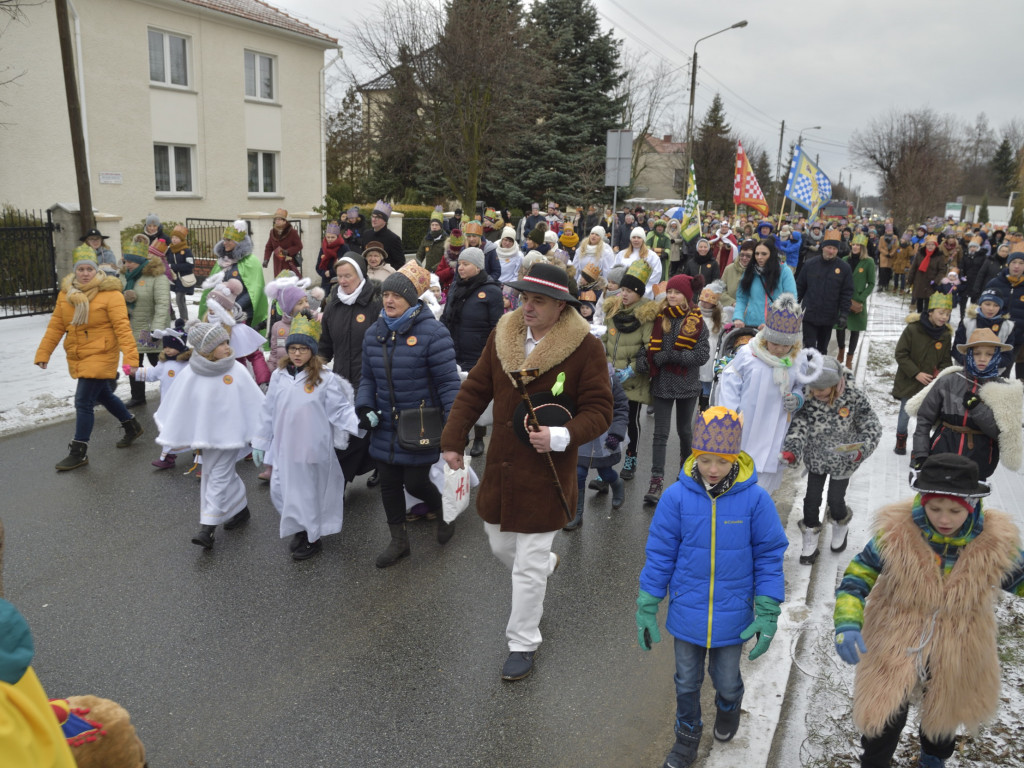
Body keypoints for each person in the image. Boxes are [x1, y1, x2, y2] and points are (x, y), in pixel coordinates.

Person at [440, 262, 613, 681]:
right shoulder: (504, 335)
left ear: (560, 306)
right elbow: (475, 390)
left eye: (538, 300)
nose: (527, 306)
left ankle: (522, 642)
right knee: (500, 546)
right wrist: (453, 440)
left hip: (548, 473)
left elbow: (600, 410)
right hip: (502, 465)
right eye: (524, 297)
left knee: (528, 565)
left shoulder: (586, 348)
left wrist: (559, 436)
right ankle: (546, 566)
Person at [833, 454, 1024, 768]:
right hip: (897, 634)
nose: (944, 519)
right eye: (935, 508)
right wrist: (847, 620)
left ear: (973, 506)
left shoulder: (994, 545)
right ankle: (875, 762)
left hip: (959, 640)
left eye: (954, 511)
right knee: (883, 716)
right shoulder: (897, 536)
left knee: (942, 717)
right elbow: (857, 576)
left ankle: (933, 759)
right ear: (922, 501)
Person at [636, 406, 788, 768]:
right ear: (694, 455)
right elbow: (660, 552)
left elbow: (769, 555)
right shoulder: (676, 497)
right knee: (686, 680)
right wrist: (648, 601)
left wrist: (767, 608)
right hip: (687, 611)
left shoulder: (755, 500)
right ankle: (686, 737)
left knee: (726, 679)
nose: (713, 469)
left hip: (734, 613)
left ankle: (729, 704)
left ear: (734, 456)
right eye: (705, 459)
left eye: (721, 460)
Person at [356, 261, 462, 568]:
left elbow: (447, 383)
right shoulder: (375, 332)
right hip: (385, 424)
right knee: (388, 483)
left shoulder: (433, 333)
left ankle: (443, 510)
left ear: (412, 300)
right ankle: (399, 542)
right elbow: (368, 379)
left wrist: (455, 425)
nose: (388, 300)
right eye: (386, 294)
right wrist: (364, 407)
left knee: (415, 482)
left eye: (396, 296)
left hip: (420, 425)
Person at [253, 314, 359, 560]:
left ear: (312, 351)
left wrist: (360, 422)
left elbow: (340, 410)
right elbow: (268, 410)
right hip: (284, 448)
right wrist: (260, 441)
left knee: (308, 494)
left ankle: (311, 538)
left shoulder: (324, 379)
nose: (297, 353)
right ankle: (300, 528)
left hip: (311, 447)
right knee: (281, 491)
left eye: (302, 348)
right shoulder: (279, 376)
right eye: (292, 348)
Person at [154, 321, 264, 550]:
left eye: (226, 341)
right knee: (216, 474)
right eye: (221, 343)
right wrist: (179, 430)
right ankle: (241, 509)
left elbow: (255, 402)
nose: (227, 346)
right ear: (206, 350)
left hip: (232, 436)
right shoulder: (192, 373)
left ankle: (208, 528)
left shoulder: (235, 370)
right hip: (206, 437)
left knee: (218, 475)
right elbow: (178, 403)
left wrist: (261, 434)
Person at [35, 245, 143, 470]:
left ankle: (79, 450)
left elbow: (123, 328)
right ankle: (131, 425)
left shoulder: (111, 294)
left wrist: (131, 359)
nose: (85, 273)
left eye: (89, 269)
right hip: (78, 353)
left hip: (102, 353)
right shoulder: (66, 295)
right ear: (75, 271)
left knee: (83, 401)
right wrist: (44, 353)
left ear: (97, 270)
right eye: (81, 269)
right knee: (103, 394)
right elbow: (56, 326)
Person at [718, 293, 824, 495]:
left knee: (762, 490)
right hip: (746, 426)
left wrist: (798, 398)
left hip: (775, 427)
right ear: (766, 337)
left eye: (785, 345)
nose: (779, 349)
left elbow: (801, 387)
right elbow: (730, 381)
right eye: (774, 343)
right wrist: (730, 415)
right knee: (737, 480)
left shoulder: (797, 359)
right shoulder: (748, 355)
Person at [781, 357, 881, 564]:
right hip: (816, 459)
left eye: (822, 389)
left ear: (836, 384)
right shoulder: (809, 400)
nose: (817, 393)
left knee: (836, 499)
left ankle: (840, 523)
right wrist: (792, 450)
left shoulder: (853, 398)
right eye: (813, 388)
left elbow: (871, 425)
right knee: (811, 501)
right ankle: (810, 540)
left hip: (843, 461)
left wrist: (862, 448)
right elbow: (799, 427)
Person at [907, 328, 1022, 481]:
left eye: (989, 354)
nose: (982, 358)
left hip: (979, 462)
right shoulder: (948, 381)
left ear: (997, 356)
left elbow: (1002, 433)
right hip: (941, 454)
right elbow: (924, 419)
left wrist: (977, 408)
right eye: (977, 353)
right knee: (934, 500)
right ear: (968, 354)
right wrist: (920, 455)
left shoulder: (1004, 390)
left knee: (967, 504)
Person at [641, 274, 710, 506]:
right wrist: (647, 359)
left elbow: (702, 355)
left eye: (677, 292)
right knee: (660, 434)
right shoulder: (659, 317)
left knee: (684, 432)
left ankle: (687, 475)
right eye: (669, 291)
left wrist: (673, 356)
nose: (671, 296)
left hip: (687, 385)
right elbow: (646, 345)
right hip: (661, 383)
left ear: (687, 295)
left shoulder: (696, 321)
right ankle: (656, 480)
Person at [319, 253, 383, 486]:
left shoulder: (375, 302)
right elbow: (325, 344)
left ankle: (367, 470)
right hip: (341, 380)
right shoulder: (333, 303)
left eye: (348, 276)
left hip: (370, 380)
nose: (343, 281)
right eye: (339, 276)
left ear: (360, 275)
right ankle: (343, 480)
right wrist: (312, 367)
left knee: (365, 430)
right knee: (347, 432)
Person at [441, 247, 503, 457]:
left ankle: (479, 437)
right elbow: (445, 316)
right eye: (459, 264)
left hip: (478, 354)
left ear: (478, 267)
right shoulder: (455, 287)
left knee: (477, 396)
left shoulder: (491, 291)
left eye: (466, 264)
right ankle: (460, 435)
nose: (461, 268)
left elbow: (497, 327)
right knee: (457, 397)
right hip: (453, 351)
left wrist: (491, 353)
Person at [601, 259, 659, 481]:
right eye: (622, 289)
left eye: (629, 291)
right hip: (610, 377)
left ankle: (631, 458)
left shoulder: (645, 316)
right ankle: (606, 462)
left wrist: (630, 370)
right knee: (608, 421)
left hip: (632, 378)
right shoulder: (613, 311)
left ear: (639, 292)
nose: (624, 294)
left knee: (630, 422)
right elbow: (606, 340)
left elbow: (648, 350)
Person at [891, 291, 954, 455]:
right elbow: (901, 354)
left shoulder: (945, 335)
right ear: (930, 312)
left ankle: (919, 446)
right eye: (941, 313)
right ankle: (901, 438)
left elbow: (946, 360)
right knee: (905, 411)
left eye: (948, 314)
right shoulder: (913, 329)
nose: (944, 317)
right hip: (910, 380)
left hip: (930, 385)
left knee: (925, 417)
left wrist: (941, 374)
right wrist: (916, 373)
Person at [570, 362, 628, 527]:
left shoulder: (611, 379)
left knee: (605, 472)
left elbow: (621, 408)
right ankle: (577, 513)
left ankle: (617, 483)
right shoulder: (574, 377)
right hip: (581, 433)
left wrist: (616, 434)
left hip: (605, 435)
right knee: (578, 472)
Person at [129, 319, 192, 470]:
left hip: (187, 404)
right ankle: (168, 457)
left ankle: (198, 452)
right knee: (168, 429)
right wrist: (135, 372)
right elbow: (152, 374)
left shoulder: (189, 364)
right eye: (166, 347)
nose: (168, 350)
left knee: (191, 427)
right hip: (168, 405)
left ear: (180, 346)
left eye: (171, 347)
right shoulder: (163, 364)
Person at [119, 240, 171, 407]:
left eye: (131, 261)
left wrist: (157, 329)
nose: (128, 265)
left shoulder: (157, 277)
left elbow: (163, 304)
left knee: (160, 363)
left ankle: (173, 392)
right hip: (129, 329)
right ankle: (137, 396)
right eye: (126, 261)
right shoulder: (122, 276)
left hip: (149, 331)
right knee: (132, 364)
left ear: (141, 260)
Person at [198, 221, 268, 333]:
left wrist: (233, 307)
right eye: (224, 239)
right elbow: (213, 287)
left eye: (228, 240)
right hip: (220, 314)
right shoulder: (222, 261)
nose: (224, 243)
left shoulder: (251, 261)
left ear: (238, 242)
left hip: (243, 314)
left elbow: (254, 290)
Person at [795, 228, 853, 355]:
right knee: (809, 348)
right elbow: (800, 287)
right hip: (810, 314)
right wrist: (793, 306)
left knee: (822, 350)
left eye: (834, 249)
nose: (831, 251)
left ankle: (820, 373)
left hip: (829, 315)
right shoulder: (810, 264)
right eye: (829, 248)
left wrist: (844, 314)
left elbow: (846, 293)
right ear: (823, 247)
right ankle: (808, 371)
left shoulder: (844, 268)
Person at [733, 238, 797, 328]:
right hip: (751, 325)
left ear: (772, 254)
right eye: (757, 253)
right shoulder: (750, 271)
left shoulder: (784, 271)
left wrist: (773, 323)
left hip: (774, 327)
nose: (759, 257)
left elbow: (790, 300)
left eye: (764, 254)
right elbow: (741, 298)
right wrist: (738, 317)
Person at [983, 245, 1024, 380]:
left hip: (1017, 338)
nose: (1017, 266)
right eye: (1014, 262)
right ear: (1008, 264)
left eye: (1021, 263)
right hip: (994, 335)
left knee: (1008, 372)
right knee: (992, 369)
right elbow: (982, 306)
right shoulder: (995, 282)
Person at [835, 235, 875, 368]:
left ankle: (849, 358)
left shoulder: (868, 262)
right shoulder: (845, 259)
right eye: (854, 245)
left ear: (863, 248)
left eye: (858, 245)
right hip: (843, 299)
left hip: (857, 301)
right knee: (840, 327)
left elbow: (871, 283)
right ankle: (841, 351)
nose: (855, 247)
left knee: (855, 329)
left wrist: (861, 297)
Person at [952, 288, 1015, 367]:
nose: (991, 309)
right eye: (987, 304)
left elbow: (1007, 356)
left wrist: (990, 364)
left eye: (996, 305)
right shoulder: (967, 322)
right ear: (980, 304)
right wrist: (970, 363)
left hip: (994, 372)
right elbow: (957, 349)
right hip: (966, 370)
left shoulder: (1008, 327)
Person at [697, 280, 731, 411]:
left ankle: (704, 404)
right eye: (703, 299)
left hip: (711, 350)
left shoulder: (720, 315)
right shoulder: (696, 311)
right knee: (697, 378)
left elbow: (724, 331)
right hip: (697, 347)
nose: (705, 303)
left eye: (708, 301)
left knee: (707, 378)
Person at [362, 200, 406, 271]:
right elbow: (363, 257)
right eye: (373, 216)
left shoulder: (393, 239)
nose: (374, 219)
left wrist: (385, 271)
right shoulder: (366, 234)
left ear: (385, 221)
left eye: (378, 217)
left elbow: (400, 262)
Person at [910, 235, 948, 314]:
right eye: (928, 244)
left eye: (932, 245)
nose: (930, 246)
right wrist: (910, 278)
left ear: (935, 245)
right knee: (919, 299)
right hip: (919, 280)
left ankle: (926, 316)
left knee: (928, 302)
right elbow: (914, 266)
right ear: (925, 245)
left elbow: (942, 270)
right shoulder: (920, 253)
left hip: (930, 282)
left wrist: (936, 281)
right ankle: (919, 315)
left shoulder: (939, 256)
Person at [166, 224, 196, 321]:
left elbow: (190, 265)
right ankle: (184, 318)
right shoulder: (170, 250)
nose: (174, 240)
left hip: (184, 279)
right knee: (181, 299)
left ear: (181, 239)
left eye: (177, 238)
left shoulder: (186, 251)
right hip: (174, 279)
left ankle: (184, 319)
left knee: (179, 299)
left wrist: (173, 266)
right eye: (173, 237)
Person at [263, 209, 303, 277]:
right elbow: (269, 247)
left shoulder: (292, 232)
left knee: (288, 283)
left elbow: (299, 246)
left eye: (279, 219)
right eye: (276, 219)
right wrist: (266, 259)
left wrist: (288, 251)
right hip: (277, 264)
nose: (277, 221)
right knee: (279, 283)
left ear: (284, 221)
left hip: (288, 263)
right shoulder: (272, 232)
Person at [315, 222, 347, 296]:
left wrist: (331, 272)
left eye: (332, 237)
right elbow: (318, 267)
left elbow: (346, 265)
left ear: (337, 237)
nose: (330, 239)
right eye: (328, 237)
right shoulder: (323, 248)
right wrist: (324, 273)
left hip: (340, 281)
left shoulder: (344, 248)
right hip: (325, 282)